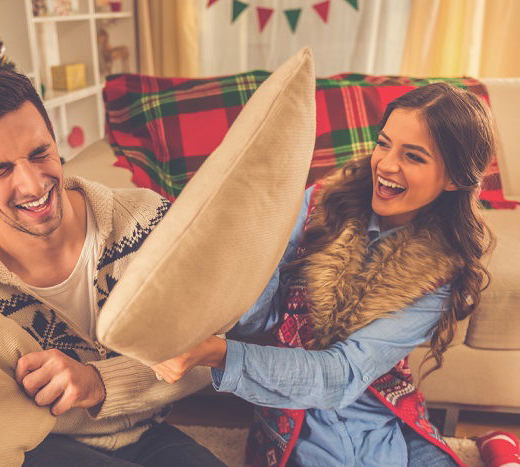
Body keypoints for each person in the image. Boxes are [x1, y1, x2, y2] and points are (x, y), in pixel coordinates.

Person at [152, 82, 496, 467]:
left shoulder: (442, 272)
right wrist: (257, 232)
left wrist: (219, 355)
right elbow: (255, 318)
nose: (385, 164)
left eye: (413, 156)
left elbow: (341, 376)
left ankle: (498, 447)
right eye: (383, 144)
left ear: (454, 178)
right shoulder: (319, 201)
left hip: (373, 412)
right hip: (290, 412)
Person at [0, 64, 223, 467]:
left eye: (40, 153)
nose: (33, 185)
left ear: (54, 138)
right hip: (44, 452)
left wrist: (100, 383)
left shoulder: (149, 220)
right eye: (0, 170)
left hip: (151, 435)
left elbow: (213, 355)